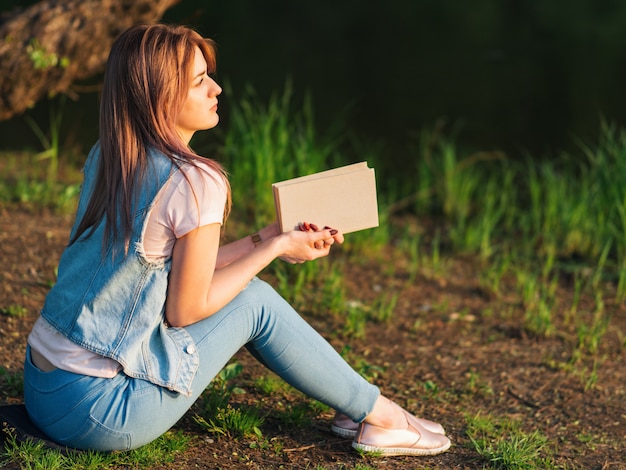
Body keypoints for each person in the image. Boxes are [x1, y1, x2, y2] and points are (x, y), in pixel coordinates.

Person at [23, 23, 451, 457]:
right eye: (199, 80)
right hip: (97, 412)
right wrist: (276, 249)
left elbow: (158, 267)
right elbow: (185, 309)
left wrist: (267, 236)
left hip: (43, 385)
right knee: (255, 303)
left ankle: (354, 403)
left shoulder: (113, 153)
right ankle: (384, 417)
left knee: (250, 294)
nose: (217, 88)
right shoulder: (194, 179)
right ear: (159, 96)